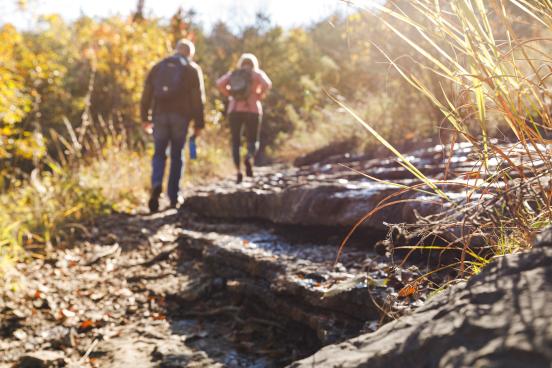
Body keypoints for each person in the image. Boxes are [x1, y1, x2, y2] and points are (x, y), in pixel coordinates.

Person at [141, 39, 205, 212]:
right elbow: (198, 98)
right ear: (190, 53)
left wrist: (144, 117)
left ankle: (156, 185)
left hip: (159, 115)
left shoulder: (158, 67)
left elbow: (146, 93)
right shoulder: (191, 69)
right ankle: (173, 196)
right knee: (177, 155)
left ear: (176, 50)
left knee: (159, 153)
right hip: (181, 117)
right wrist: (199, 123)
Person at [216, 53, 272, 184]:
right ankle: (248, 157)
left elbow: (219, 83)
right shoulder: (256, 73)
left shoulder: (234, 73)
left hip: (235, 109)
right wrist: (259, 94)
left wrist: (229, 93)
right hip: (253, 109)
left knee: (236, 141)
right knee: (253, 139)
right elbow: (267, 84)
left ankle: (238, 171)